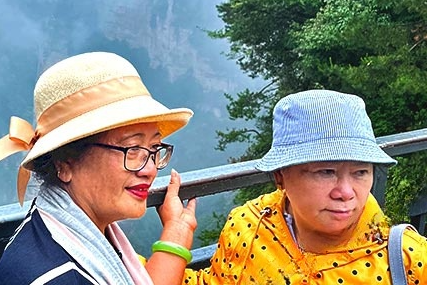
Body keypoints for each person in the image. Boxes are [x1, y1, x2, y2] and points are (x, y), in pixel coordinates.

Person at [0, 51, 198, 284]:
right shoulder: (57, 276)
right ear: (65, 163)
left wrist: (176, 234)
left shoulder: (58, 232)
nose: (149, 169)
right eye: (132, 149)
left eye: (154, 148)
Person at [183, 89, 427, 285]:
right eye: (326, 172)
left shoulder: (406, 260)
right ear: (281, 176)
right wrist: (174, 239)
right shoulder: (249, 227)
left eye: (360, 172)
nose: (346, 192)